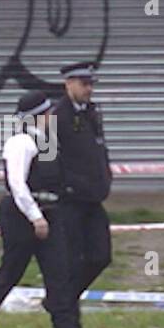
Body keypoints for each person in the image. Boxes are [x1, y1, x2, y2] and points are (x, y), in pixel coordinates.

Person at [0, 90, 99, 328]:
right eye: (48, 112)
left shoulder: (46, 142)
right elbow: (17, 184)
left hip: (49, 211)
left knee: (58, 273)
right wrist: (35, 217)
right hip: (22, 215)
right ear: (40, 115)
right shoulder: (21, 143)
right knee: (11, 273)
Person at [51, 61, 114, 303]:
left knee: (101, 256)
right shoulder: (57, 118)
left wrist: (105, 176)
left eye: (91, 84)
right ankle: (66, 312)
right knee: (72, 258)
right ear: (68, 84)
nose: (89, 89)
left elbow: (99, 149)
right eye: (83, 84)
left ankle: (61, 299)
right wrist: (66, 185)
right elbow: (49, 158)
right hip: (70, 200)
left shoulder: (91, 113)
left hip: (93, 197)